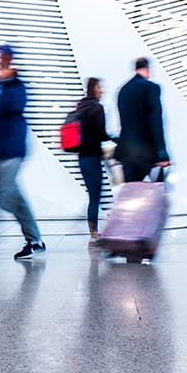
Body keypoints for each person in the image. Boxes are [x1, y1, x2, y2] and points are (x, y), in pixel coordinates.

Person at [0, 44, 45, 260]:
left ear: (9, 58)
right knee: (11, 193)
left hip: (13, 147)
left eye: (2, 55)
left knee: (3, 194)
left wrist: (3, 82)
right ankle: (35, 240)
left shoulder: (16, 86)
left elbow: (13, 106)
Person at [115, 57, 170, 182]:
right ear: (148, 68)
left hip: (127, 153)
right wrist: (161, 151)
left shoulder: (123, 90)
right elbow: (155, 120)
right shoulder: (151, 88)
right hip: (148, 152)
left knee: (132, 191)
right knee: (158, 189)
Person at [76, 78, 113, 247]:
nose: (102, 90)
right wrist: (114, 138)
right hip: (92, 156)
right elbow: (101, 133)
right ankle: (94, 234)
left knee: (93, 196)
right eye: (99, 87)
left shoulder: (80, 107)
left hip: (82, 157)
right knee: (95, 196)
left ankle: (94, 231)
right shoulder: (97, 107)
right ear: (93, 89)